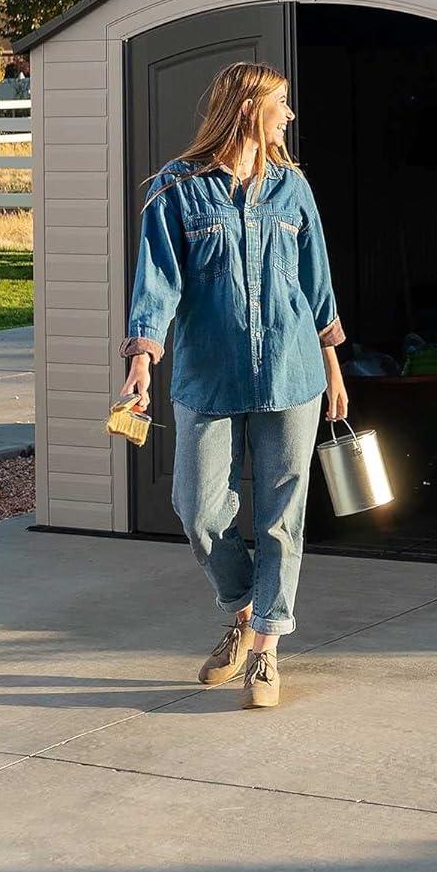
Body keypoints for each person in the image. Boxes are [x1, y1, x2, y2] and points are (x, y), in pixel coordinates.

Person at [118, 63, 349, 707]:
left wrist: (333, 368)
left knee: (282, 518)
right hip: (207, 374)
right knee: (196, 511)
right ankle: (245, 609)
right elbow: (156, 284)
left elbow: (317, 280)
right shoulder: (177, 190)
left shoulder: (292, 190)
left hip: (291, 371)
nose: (290, 116)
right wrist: (141, 356)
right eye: (282, 104)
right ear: (249, 108)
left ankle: (266, 651)